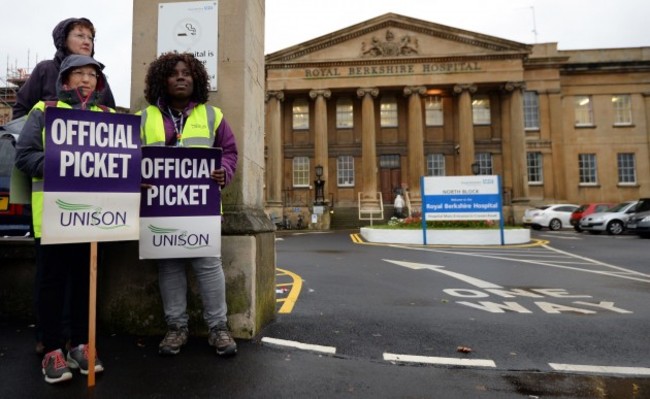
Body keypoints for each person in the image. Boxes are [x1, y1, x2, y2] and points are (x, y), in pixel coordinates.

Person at [15, 55, 111, 384]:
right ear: (65, 80)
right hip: (53, 216)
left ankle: (82, 345)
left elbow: (123, 159)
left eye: (92, 74)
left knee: (87, 280)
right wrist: (64, 163)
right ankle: (53, 349)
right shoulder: (44, 111)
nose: (86, 79)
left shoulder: (107, 117)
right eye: (78, 74)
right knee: (52, 283)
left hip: (95, 216)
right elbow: (25, 156)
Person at [140, 52, 238, 357]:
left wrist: (224, 172)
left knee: (208, 266)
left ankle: (218, 328)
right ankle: (176, 329)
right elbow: (128, 157)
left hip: (201, 208)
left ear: (196, 79)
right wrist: (136, 180)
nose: (181, 77)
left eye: (187, 73)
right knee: (169, 266)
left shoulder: (213, 115)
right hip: (160, 207)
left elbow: (231, 152)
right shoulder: (143, 117)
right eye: (173, 73)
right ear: (162, 80)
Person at [12, 17, 116, 120]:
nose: (87, 42)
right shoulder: (45, 70)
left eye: (90, 38)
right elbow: (20, 111)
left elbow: (113, 120)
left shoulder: (99, 77)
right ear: (64, 40)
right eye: (80, 36)